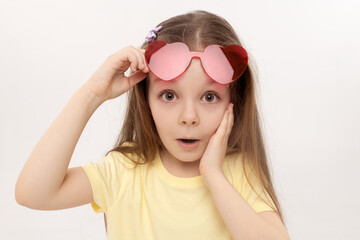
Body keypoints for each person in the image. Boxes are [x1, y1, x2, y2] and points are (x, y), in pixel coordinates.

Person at [15, 10, 290, 240]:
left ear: (234, 102)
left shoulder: (237, 172)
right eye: (169, 96)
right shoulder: (124, 170)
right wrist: (90, 96)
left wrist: (213, 175)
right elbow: (33, 194)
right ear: (146, 100)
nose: (188, 117)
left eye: (209, 97)